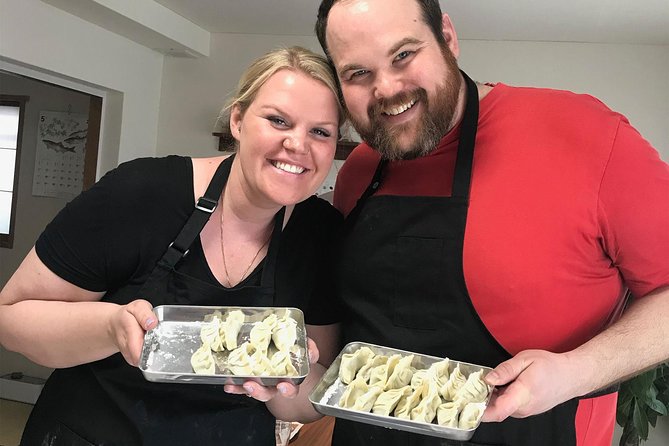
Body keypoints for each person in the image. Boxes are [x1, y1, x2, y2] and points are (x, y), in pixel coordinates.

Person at [314, 0, 669, 445]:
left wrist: (577, 372)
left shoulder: (586, 135)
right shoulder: (359, 170)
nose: (387, 89)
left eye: (403, 55)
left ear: (447, 36)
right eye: (358, 73)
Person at [0, 46, 344, 446]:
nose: (298, 144)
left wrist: (286, 379)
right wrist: (111, 327)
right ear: (237, 120)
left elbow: (310, 396)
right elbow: (11, 320)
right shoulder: (142, 192)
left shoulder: (322, 234)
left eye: (321, 131)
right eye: (277, 120)